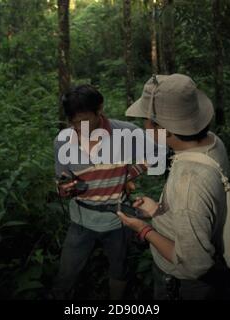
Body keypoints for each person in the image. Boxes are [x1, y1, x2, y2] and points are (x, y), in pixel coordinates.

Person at [117, 74, 230, 300]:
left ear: (163, 129)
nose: (143, 125)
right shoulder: (212, 142)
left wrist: (143, 229)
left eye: (145, 120)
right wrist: (160, 211)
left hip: (181, 285)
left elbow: (194, 265)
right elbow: (197, 210)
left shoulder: (187, 182)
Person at [51, 84, 146, 299]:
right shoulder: (63, 141)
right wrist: (64, 189)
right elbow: (61, 180)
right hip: (81, 221)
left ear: (99, 109)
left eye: (83, 120)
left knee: (119, 269)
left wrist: (129, 174)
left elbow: (155, 151)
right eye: (73, 122)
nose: (78, 127)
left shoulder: (127, 133)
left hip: (118, 220)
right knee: (66, 274)